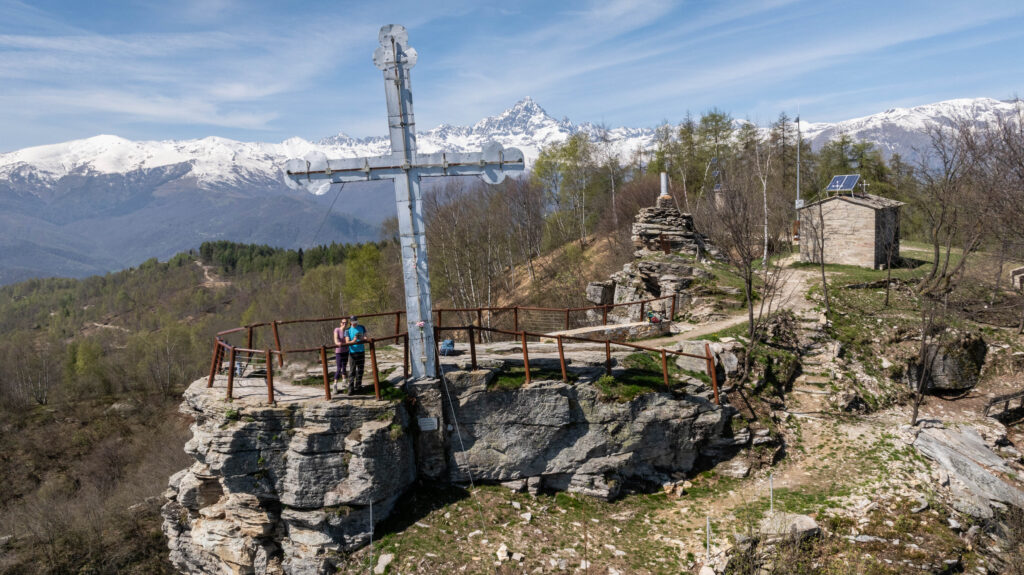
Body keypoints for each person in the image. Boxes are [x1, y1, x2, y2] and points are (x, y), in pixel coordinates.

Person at [345, 316, 368, 394]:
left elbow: (365, 337)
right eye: (353, 323)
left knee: (360, 370)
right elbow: (347, 342)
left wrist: (362, 338)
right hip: (352, 352)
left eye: (356, 322)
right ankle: (350, 389)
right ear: (350, 322)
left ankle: (358, 386)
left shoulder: (362, 327)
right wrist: (354, 340)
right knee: (352, 371)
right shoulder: (347, 330)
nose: (354, 324)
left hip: (361, 351)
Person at [332, 318, 350, 393]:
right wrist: (337, 342)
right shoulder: (337, 330)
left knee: (344, 367)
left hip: (345, 351)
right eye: (343, 323)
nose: (344, 324)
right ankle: (335, 385)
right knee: (339, 368)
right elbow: (336, 338)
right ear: (340, 323)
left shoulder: (347, 331)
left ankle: (344, 382)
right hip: (339, 352)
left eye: (346, 323)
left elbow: (348, 340)